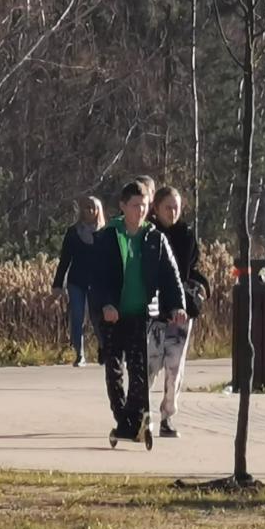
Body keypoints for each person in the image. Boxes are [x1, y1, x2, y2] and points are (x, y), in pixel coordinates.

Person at [90, 180, 186, 441]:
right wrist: (105, 304)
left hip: (141, 315)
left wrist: (177, 305)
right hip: (113, 315)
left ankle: (133, 420)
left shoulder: (154, 238)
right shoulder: (108, 236)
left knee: (139, 370)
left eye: (144, 206)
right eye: (135, 206)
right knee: (114, 370)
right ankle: (122, 418)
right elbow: (96, 278)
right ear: (123, 206)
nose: (140, 211)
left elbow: (171, 276)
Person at [146, 186, 208, 437]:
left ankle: (167, 416)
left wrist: (201, 286)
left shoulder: (186, 234)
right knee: (149, 365)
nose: (172, 213)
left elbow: (190, 269)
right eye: (168, 208)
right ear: (156, 208)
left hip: (180, 310)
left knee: (174, 367)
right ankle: (142, 414)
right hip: (153, 310)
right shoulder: (148, 234)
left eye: (176, 208)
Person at [52, 196, 106, 366]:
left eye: (93, 207)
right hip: (77, 281)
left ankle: (103, 348)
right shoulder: (73, 233)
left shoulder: (105, 233)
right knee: (77, 317)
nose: (89, 211)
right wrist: (58, 284)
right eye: (86, 207)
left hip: (97, 282)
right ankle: (80, 354)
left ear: (98, 210)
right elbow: (65, 259)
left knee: (98, 318)